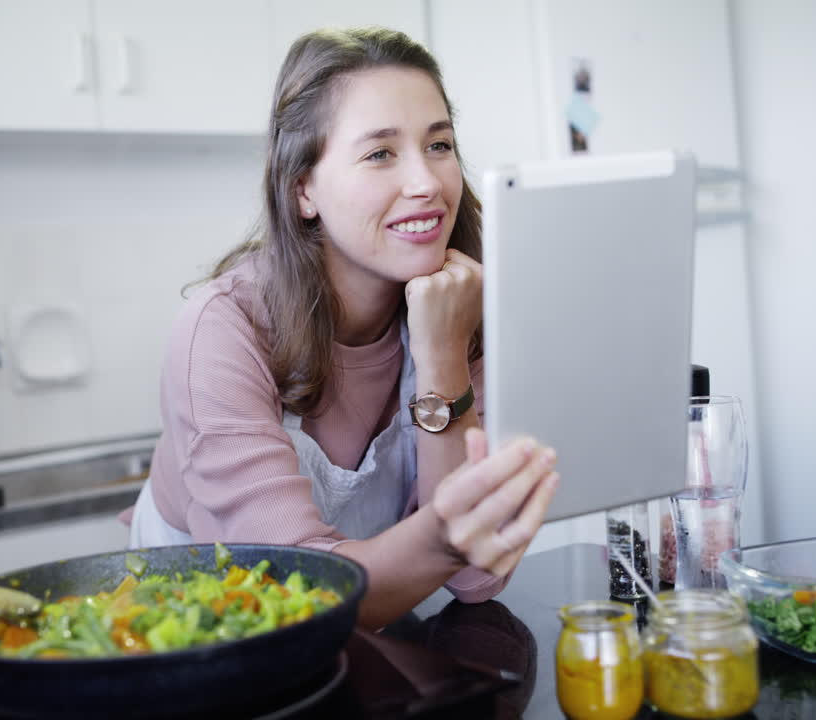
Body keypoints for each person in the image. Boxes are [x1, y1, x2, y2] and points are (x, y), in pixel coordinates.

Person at [127, 26, 560, 629]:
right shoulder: (221, 333)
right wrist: (449, 537)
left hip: (368, 628)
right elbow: (294, 597)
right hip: (195, 636)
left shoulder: (458, 304)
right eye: (381, 153)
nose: (428, 183)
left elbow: (475, 577)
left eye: (440, 145)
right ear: (302, 188)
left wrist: (442, 354)